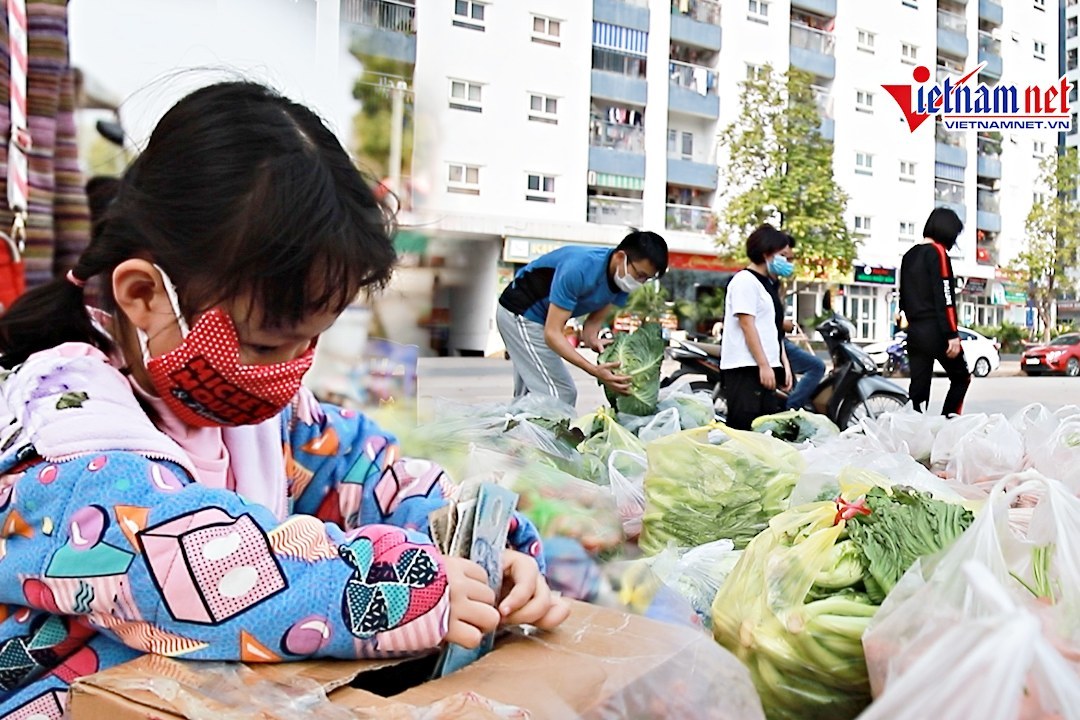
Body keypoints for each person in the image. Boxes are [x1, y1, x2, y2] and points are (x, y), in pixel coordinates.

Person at [0, 82, 568, 716]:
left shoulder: (254, 408)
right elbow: (187, 571)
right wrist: (409, 590)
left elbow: (365, 472)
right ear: (143, 296)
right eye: (269, 344)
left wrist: (484, 552)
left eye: (307, 344)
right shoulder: (64, 429)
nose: (288, 374)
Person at [496, 230, 669, 407]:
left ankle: (511, 433)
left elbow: (592, 326)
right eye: (639, 275)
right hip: (521, 314)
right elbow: (552, 333)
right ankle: (538, 434)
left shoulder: (620, 282)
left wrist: (598, 344)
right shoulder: (579, 268)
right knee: (560, 395)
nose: (639, 282)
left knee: (530, 395)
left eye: (646, 279)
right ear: (620, 257)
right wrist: (594, 370)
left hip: (539, 320)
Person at [720, 224, 793, 430]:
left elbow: (772, 329)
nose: (786, 262)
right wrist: (763, 364)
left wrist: (783, 364)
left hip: (766, 367)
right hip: (746, 369)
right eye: (782, 255)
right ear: (766, 253)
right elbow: (747, 324)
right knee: (745, 432)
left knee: (764, 432)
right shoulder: (745, 281)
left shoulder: (768, 284)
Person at [899, 207, 970, 415]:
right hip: (936, 331)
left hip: (915, 332)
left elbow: (904, 297)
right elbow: (945, 296)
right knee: (961, 377)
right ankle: (948, 426)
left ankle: (915, 433)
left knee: (919, 390)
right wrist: (952, 334)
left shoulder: (909, 255)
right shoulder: (938, 252)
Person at [773, 244, 826, 411]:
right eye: (786, 258)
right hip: (773, 343)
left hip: (778, 341)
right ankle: (793, 408)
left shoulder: (775, 284)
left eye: (791, 259)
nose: (789, 263)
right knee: (817, 366)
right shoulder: (756, 283)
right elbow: (761, 321)